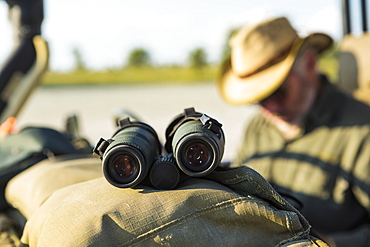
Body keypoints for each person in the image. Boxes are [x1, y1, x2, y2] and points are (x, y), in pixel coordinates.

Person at [218, 16, 370, 247]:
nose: (269, 108)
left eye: (278, 92)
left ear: (309, 64)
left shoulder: (362, 130)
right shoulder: (256, 129)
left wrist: (329, 244)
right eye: (258, 98)